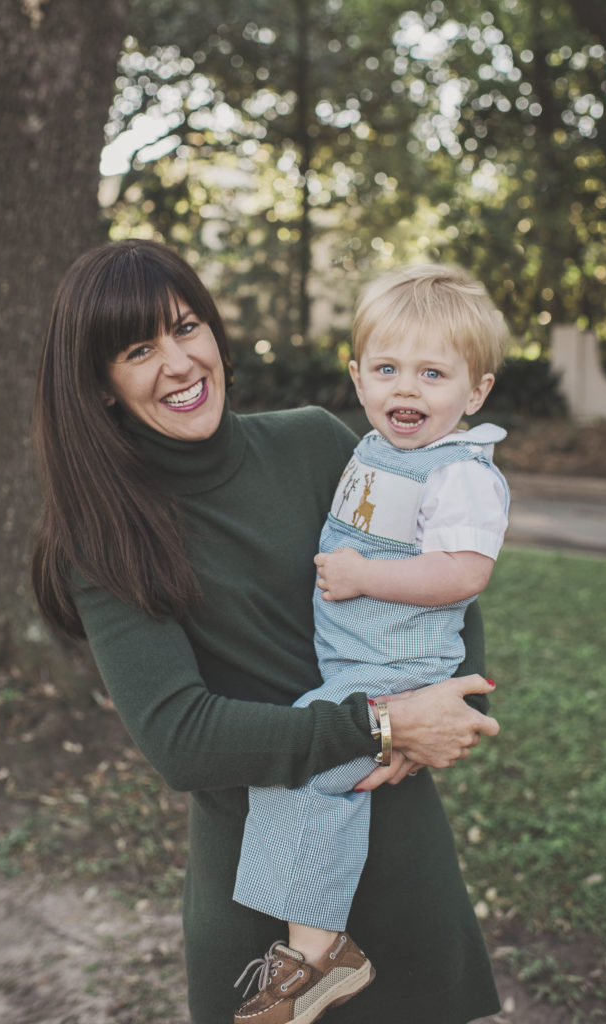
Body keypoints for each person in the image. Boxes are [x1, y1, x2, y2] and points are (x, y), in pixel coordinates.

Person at [31, 239, 503, 1024]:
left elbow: (447, 588)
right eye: (139, 349)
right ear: (102, 387)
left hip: (397, 847)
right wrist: (379, 725)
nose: (178, 363)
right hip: (262, 891)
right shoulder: (105, 535)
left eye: (186, 328)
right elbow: (181, 737)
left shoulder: (319, 443)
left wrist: (433, 718)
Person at [232, 264, 510, 1023]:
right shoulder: (375, 449)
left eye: (431, 373)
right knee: (298, 767)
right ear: (357, 378)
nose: (406, 390)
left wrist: (361, 576)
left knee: (306, 764)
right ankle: (313, 951)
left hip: (397, 666)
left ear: (474, 392)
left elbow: (461, 573)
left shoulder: (460, 472)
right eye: (387, 370)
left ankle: (319, 959)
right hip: (357, 664)